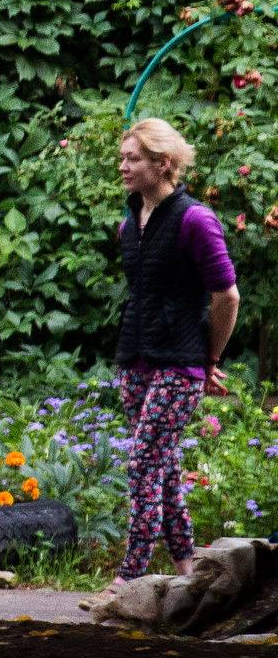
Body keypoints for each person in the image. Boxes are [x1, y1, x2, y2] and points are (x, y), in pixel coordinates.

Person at [113, 116, 240, 585]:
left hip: (180, 364)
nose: (123, 167)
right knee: (163, 469)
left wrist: (210, 359)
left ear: (163, 163)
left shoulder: (195, 219)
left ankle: (130, 577)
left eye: (134, 159)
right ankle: (187, 573)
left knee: (144, 463)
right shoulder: (129, 224)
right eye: (122, 158)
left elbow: (227, 296)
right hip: (135, 360)